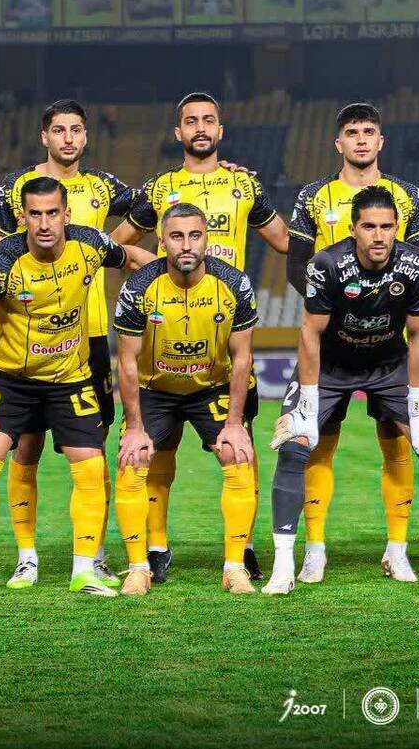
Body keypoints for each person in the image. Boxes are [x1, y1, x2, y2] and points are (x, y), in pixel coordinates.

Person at [112, 92, 286, 583]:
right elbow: (116, 244)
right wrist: (156, 268)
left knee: (241, 443)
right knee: (157, 452)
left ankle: (242, 549)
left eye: (209, 120)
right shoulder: (159, 188)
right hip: (164, 333)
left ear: (221, 130)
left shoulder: (243, 183)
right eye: (191, 121)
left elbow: (283, 241)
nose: (201, 128)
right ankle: (155, 549)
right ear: (179, 132)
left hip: (224, 330)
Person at [263, 186, 419, 594]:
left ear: (397, 228)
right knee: (293, 445)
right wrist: (308, 402)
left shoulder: (417, 264)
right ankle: (283, 569)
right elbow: (309, 333)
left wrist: (418, 401)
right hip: (330, 366)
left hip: (388, 366)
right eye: (369, 227)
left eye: (387, 227)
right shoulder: (326, 264)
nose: (379, 236)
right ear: (353, 229)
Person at [0, 177, 154, 600]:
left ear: (66, 214)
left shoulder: (90, 243)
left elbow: (135, 258)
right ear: (22, 216)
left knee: (92, 467)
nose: (44, 223)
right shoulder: (0, 261)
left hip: (70, 379)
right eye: (35, 214)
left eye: (51, 213)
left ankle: (84, 571)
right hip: (11, 380)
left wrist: (178, 271)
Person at [0, 100, 137, 590]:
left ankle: (93, 555)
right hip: (29, 339)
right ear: (44, 137)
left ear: (86, 136)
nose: (68, 138)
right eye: (59, 130)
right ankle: (25, 557)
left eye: (76, 130)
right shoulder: (16, 187)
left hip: (89, 336)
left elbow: (152, 203)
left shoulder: (102, 186)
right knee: (26, 446)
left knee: (93, 447)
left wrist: (109, 242)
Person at [285, 102, 419, 584]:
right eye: (352, 132)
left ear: (381, 140)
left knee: (398, 444)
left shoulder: (408, 196)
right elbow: (296, 265)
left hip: (388, 345)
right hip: (330, 346)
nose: (362, 139)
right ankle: (315, 550)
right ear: (339, 143)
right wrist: (331, 308)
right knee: (317, 445)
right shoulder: (312, 195)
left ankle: (397, 549)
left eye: (369, 131)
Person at [112, 204, 260, 596]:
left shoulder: (234, 283)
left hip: (211, 387)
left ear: (207, 239)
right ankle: (139, 567)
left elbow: (242, 357)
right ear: (162, 242)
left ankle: (235, 567)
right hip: (155, 389)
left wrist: (234, 424)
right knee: (133, 458)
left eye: (195, 235)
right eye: (176, 236)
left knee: (237, 453)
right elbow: (126, 361)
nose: (187, 245)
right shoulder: (139, 287)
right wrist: (135, 428)